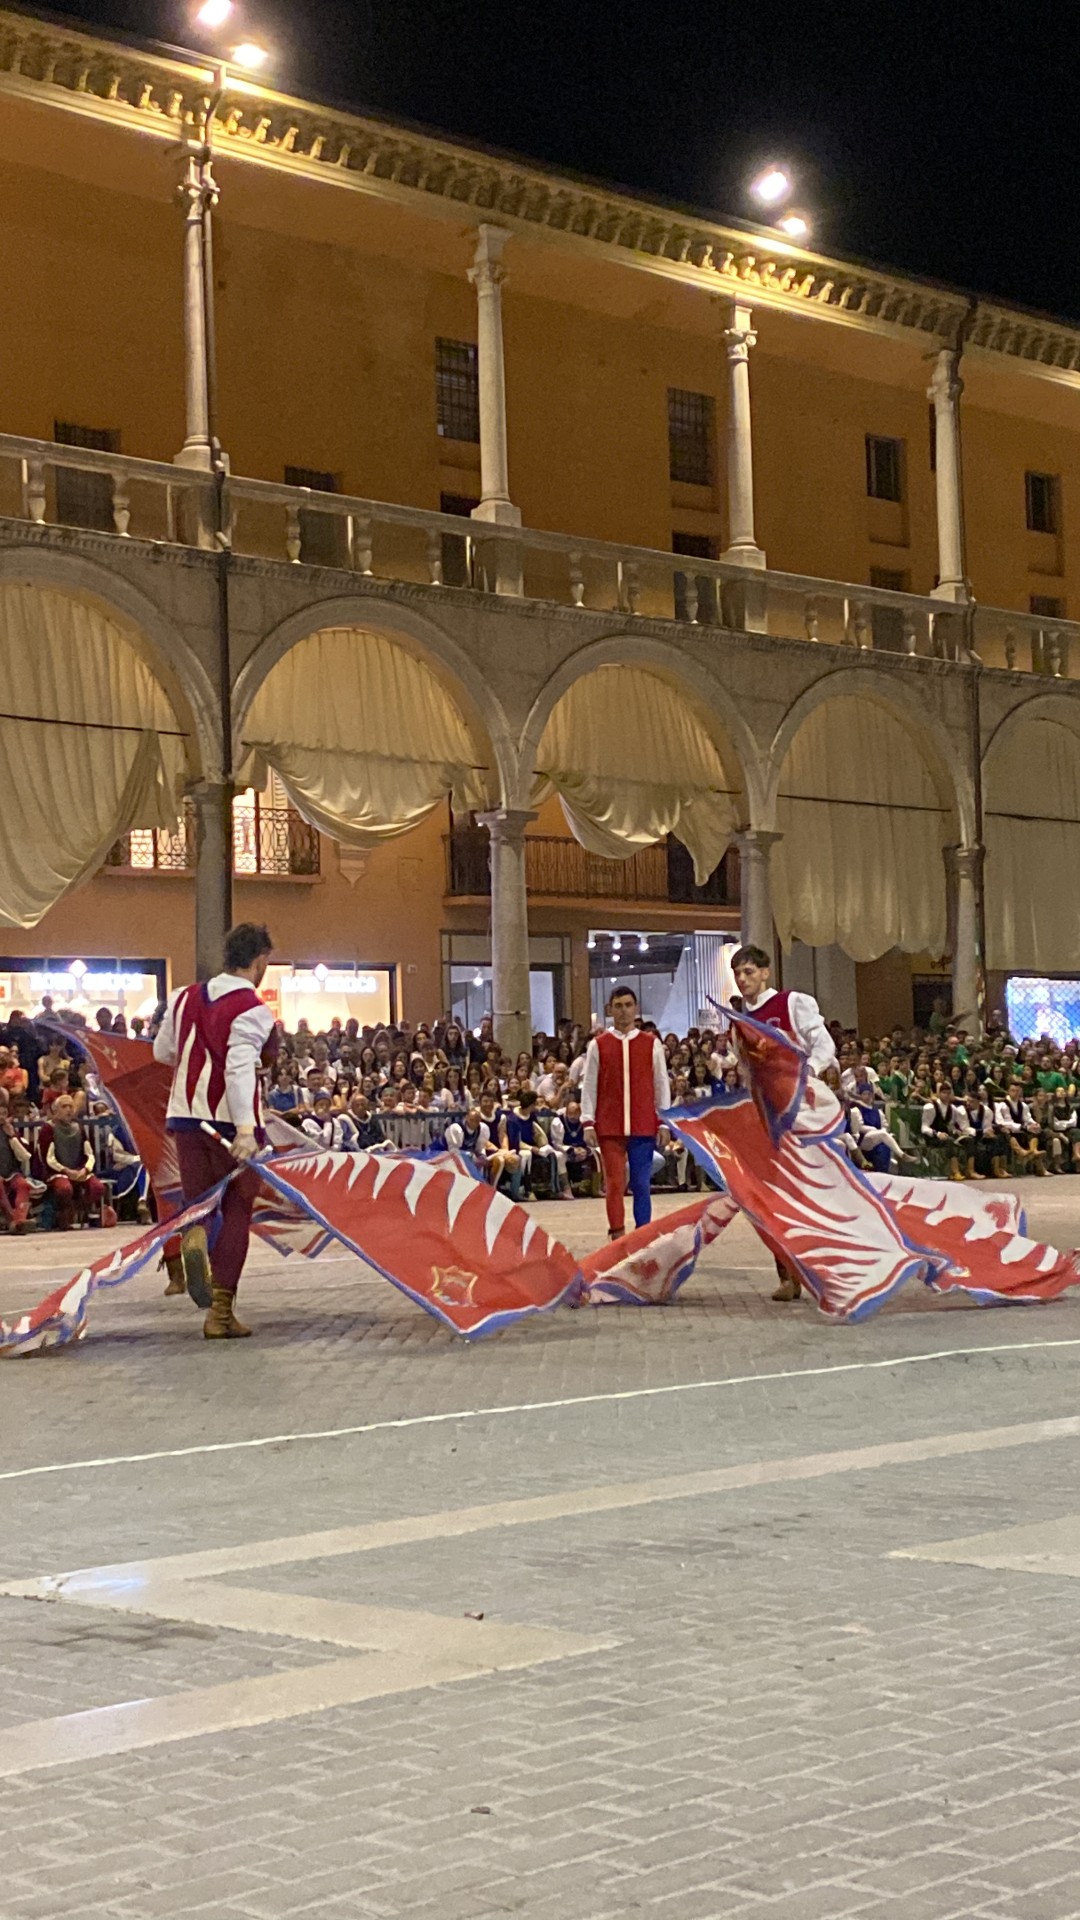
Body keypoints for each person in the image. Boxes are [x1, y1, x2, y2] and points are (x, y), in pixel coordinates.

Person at [153, 923, 277, 1339]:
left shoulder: (182, 997)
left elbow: (162, 1051)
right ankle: (220, 1315)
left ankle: (195, 1234)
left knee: (199, 1203)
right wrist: (245, 1130)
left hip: (186, 1119)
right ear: (260, 959)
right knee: (238, 1210)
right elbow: (239, 1069)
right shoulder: (253, 1008)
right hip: (229, 1123)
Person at [729, 944, 837, 1300]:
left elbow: (824, 1046)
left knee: (809, 1194)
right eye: (737, 973)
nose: (743, 979)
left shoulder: (791, 1003)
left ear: (765, 973)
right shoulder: (740, 1022)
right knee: (771, 1197)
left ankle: (824, 1271)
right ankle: (788, 1274)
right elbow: (746, 1070)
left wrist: (807, 1075)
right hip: (765, 1117)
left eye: (749, 972)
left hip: (800, 1114)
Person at [580, 985, 670, 1239]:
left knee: (641, 1183)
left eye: (628, 1005)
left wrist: (664, 1121)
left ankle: (643, 1236)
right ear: (609, 1010)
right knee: (615, 1184)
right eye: (618, 1006)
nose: (624, 1011)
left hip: (643, 1124)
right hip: (610, 1126)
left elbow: (661, 1083)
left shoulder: (651, 1044)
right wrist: (588, 1122)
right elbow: (590, 1085)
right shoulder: (598, 1045)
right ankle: (617, 1236)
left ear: (636, 1008)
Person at [38, 1092, 106, 1228]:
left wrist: (85, 1170)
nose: (68, 1110)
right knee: (64, 1189)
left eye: (70, 1106)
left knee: (97, 1187)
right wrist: (66, 1171)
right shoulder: (48, 1129)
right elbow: (48, 1158)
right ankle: (64, 1215)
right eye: (64, 1106)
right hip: (56, 1172)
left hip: (79, 1170)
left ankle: (80, 1211)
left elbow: (89, 1154)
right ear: (56, 1110)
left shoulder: (79, 1128)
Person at [0, 1089, 33, 1232]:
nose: (1, 1117)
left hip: (11, 1173)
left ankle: (20, 1219)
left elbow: (24, 1156)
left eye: (4, 1114)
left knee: (23, 1185)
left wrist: (12, 1137)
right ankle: (13, 1220)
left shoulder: (10, 1131)